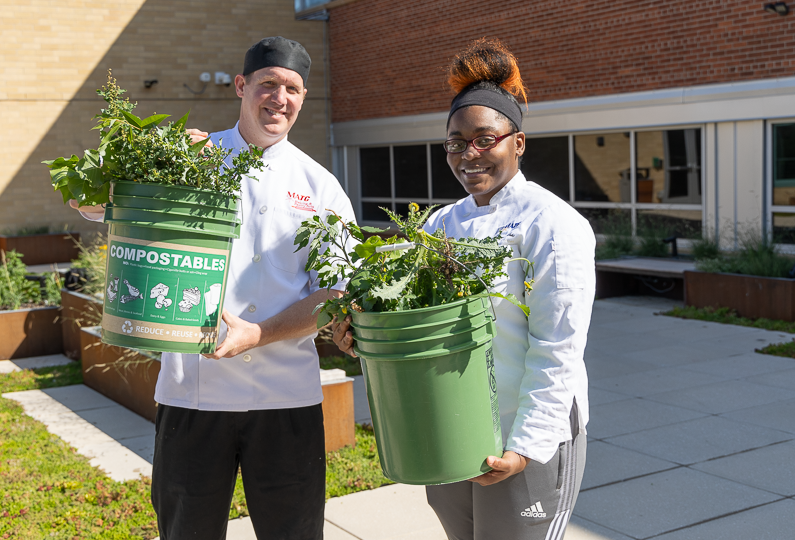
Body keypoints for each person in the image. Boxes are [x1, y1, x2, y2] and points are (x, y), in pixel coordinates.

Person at [72, 36, 355, 540]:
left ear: (303, 98)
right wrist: (105, 191)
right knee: (186, 531)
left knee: (294, 532)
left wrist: (259, 333)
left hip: (286, 397)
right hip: (192, 393)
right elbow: (109, 203)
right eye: (268, 83)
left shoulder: (321, 186)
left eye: (291, 88)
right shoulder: (195, 158)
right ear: (242, 86)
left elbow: (336, 294)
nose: (279, 98)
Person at [334, 38, 595, 539]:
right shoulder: (441, 223)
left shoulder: (552, 224)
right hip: (452, 427)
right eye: (456, 142)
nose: (468, 155)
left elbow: (557, 348)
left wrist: (525, 448)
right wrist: (361, 334)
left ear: (517, 142)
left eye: (484, 139)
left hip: (526, 435)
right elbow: (411, 320)